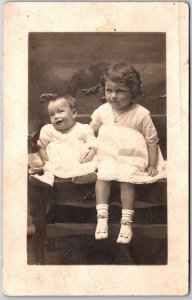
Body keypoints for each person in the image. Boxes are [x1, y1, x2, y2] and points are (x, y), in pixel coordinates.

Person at [88, 62, 166, 244]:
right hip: (108, 155)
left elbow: (152, 140)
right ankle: (102, 218)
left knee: (127, 178)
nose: (113, 96)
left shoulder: (140, 114)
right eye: (109, 90)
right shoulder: (102, 111)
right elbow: (89, 130)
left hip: (132, 157)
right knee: (103, 175)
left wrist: (153, 163)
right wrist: (88, 148)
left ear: (132, 91)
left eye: (120, 91)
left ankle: (126, 222)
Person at [29, 93, 97, 188]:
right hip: (56, 160)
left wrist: (88, 158)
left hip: (77, 160)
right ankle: (47, 178)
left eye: (60, 111)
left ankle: (82, 176)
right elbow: (42, 145)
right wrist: (43, 154)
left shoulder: (83, 129)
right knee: (47, 164)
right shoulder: (49, 129)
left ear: (73, 113)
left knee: (91, 162)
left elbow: (93, 145)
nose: (56, 116)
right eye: (51, 115)